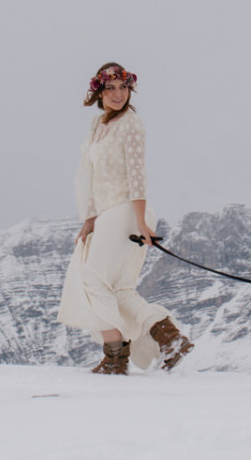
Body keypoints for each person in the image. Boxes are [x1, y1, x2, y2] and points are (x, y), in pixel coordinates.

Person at [56, 62, 195, 376]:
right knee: (119, 290)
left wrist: (141, 221)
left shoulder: (131, 123)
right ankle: (168, 339)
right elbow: (90, 176)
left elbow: (137, 175)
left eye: (123, 87)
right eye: (111, 88)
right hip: (108, 213)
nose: (118, 94)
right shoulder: (98, 126)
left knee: (91, 279)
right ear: (99, 92)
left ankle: (117, 356)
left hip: (127, 209)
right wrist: (89, 219)